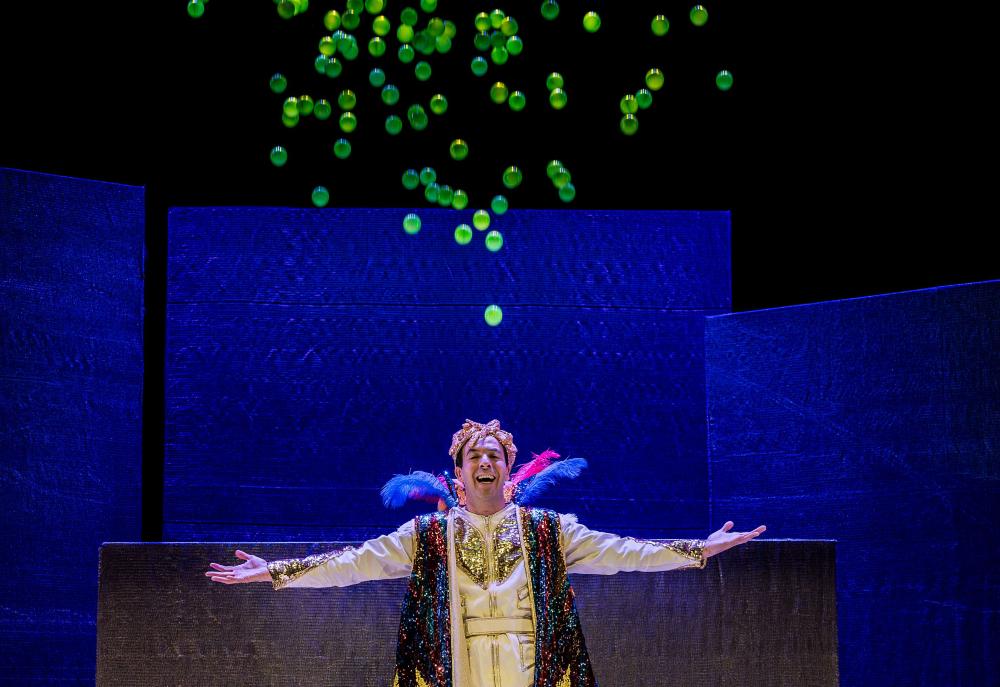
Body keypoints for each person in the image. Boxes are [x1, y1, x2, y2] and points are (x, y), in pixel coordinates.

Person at [206, 418, 766, 687]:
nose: (485, 461)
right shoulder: (428, 534)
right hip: (461, 666)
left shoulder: (547, 530)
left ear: (507, 468)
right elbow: (354, 563)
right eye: (475, 454)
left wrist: (700, 549)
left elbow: (625, 552)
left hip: (532, 666)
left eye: (495, 454)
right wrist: (274, 571)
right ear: (459, 472)